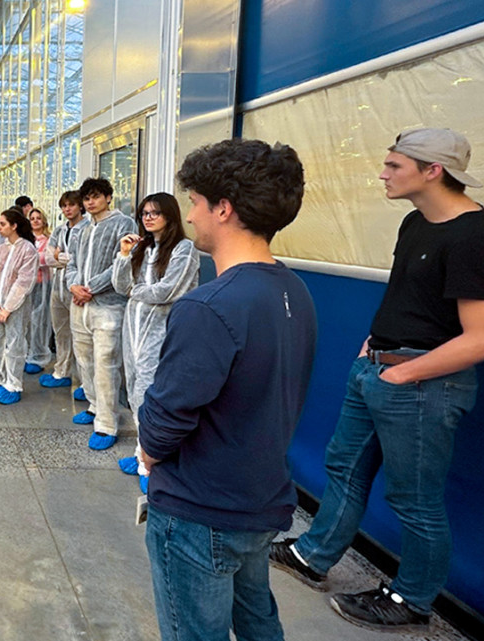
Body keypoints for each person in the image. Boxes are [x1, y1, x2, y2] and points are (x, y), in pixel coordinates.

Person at [270, 128, 484, 630]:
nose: (383, 173)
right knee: (344, 468)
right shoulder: (415, 223)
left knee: (415, 500)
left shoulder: (476, 236)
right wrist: (373, 346)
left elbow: (481, 337)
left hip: (423, 385)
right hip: (377, 370)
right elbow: (407, 298)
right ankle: (313, 556)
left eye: (394, 165)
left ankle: (412, 600)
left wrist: (404, 372)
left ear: (433, 170)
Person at [139, 139, 315, 641]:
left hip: (200, 511)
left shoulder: (208, 306)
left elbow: (167, 416)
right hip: (258, 499)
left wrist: (149, 454)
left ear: (223, 208)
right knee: (258, 619)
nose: (190, 216)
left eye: (194, 203)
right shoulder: (292, 289)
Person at [110, 192, 199, 494]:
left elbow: (167, 291)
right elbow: (121, 286)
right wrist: (123, 255)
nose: (148, 218)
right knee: (135, 390)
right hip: (133, 329)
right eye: (144, 213)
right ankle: (141, 452)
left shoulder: (183, 249)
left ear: (170, 216)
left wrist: (136, 291)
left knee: (152, 394)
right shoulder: (143, 248)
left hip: (161, 333)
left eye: (155, 213)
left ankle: (155, 462)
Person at [66, 177, 137, 449]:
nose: (90, 202)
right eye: (86, 198)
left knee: (106, 363)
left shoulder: (123, 224)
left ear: (108, 197)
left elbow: (121, 265)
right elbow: (71, 262)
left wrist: (91, 288)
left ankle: (107, 424)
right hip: (80, 304)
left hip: (108, 305)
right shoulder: (82, 230)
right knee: (84, 360)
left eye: (95, 196)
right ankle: (94, 405)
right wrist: (74, 285)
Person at [0, 208, 40, 405]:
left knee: (15, 343)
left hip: (16, 306)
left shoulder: (28, 250)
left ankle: (13, 383)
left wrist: (8, 308)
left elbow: (24, 283)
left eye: (2, 224)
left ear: (14, 226)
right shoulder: (0, 249)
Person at [40, 191, 88, 390]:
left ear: (80, 206)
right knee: (61, 332)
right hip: (57, 288)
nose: (67, 209)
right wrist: (64, 258)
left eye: (71, 205)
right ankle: (62, 371)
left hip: (77, 289)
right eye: (64, 206)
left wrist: (62, 257)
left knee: (81, 336)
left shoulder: (88, 229)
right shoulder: (59, 231)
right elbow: (48, 258)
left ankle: (86, 383)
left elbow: (83, 260)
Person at [24, 208, 52, 374]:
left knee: (39, 321)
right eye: (32, 218)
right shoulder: (26, 240)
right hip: (27, 286)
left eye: (38, 218)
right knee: (26, 321)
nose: (35, 221)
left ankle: (38, 356)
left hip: (42, 286)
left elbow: (46, 258)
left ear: (44, 221)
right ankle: (27, 353)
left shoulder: (48, 240)